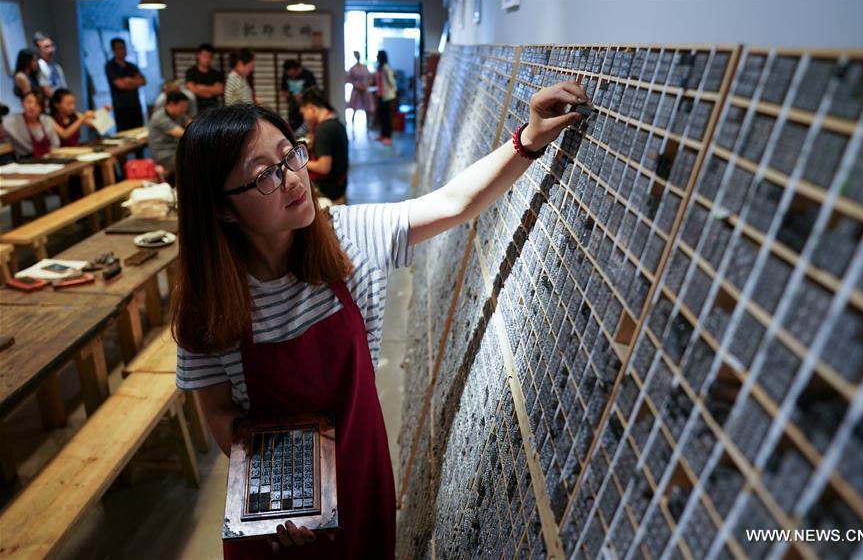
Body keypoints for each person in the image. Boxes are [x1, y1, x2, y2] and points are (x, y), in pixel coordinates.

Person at [171, 81, 588, 559]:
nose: (292, 179)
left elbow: (455, 202)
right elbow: (219, 412)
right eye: (264, 174)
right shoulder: (207, 305)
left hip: (361, 475)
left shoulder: (349, 237)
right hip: (278, 513)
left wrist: (529, 139)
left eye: (291, 156)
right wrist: (276, 491)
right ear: (221, 209)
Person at [298, 87, 349, 204]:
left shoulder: (323, 130)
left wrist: (299, 162)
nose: (304, 118)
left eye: (303, 113)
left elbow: (323, 167)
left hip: (328, 190)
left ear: (311, 108)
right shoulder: (336, 122)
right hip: (340, 186)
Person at [105, 38, 146, 131]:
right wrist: (134, 82)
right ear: (114, 50)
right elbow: (120, 85)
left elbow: (143, 81)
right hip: (121, 108)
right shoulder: (110, 66)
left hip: (135, 106)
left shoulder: (131, 66)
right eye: (119, 48)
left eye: (124, 48)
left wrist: (128, 80)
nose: (123, 51)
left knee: (139, 131)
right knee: (124, 133)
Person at [2, 92, 60, 158]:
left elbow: (55, 143)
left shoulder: (46, 120)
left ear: (42, 107)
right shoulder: (10, 122)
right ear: (22, 103)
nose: (32, 106)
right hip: (25, 160)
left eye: (37, 104)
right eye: (29, 102)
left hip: (49, 158)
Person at [148, 91, 190, 178]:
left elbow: (192, 125)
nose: (184, 109)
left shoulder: (180, 115)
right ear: (171, 104)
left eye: (186, 107)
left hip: (176, 150)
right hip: (164, 154)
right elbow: (183, 133)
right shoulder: (159, 117)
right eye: (182, 106)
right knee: (192, 163)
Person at [185, 43, 225, 114]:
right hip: (195, 107)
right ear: (198, 55)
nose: (207, 59)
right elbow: (191, 88)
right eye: (205, 56)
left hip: (213, 108)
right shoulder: (191, 72)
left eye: (210, 57)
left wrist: (201, 87)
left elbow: (219, 90)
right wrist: (210, 91)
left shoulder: (216, 74)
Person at [280, 59, 317, 131]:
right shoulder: (285, 75)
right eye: (289, 75)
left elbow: (314, 91)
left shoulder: (308, 75)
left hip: (306, 105)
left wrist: (302, 95)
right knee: (293, 127)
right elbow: (283, 89)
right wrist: (286, 94)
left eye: (293, 74)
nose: (292, 76)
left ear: (297, 69)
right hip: (293, 107)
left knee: (306, 127)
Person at [346, 51, 373, 136]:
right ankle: (352, 126)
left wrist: (366, 85)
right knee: (354, 109)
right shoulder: (352, 68)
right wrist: (357, 85)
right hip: (356, 90)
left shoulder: (364, 67)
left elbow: (370, 78)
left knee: (367, 109)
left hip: (364, 90)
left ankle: (368, 126)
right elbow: (349, 79)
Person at [33, 32, 67, 98]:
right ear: (38, 49)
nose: (51, 50)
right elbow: (47, 92)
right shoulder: (38, 66)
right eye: (46, 47)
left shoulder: (56, 67)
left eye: (52, 46)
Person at [374, 50, 397, 145]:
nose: (377, 57)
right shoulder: (379, 67)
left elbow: (392, 82)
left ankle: (388, 136)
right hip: (381, 95)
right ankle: (383, 134)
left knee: (387, 117)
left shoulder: (386, 68)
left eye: (378, 56)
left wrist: (393, 91)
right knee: (382, 116)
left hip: (388, 96)